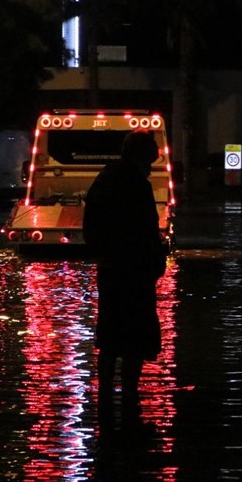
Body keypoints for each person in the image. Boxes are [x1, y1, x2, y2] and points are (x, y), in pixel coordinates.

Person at [83, 131, 167, 417]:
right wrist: (155, 260)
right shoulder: (136, 186)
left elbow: (90, 227)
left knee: (110, 336)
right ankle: (129, 396)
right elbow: (146, 230)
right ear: (142, 158)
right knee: (134, 338)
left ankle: (105, 397)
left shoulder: (104, 181)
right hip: (135, 273)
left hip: (111, 270)